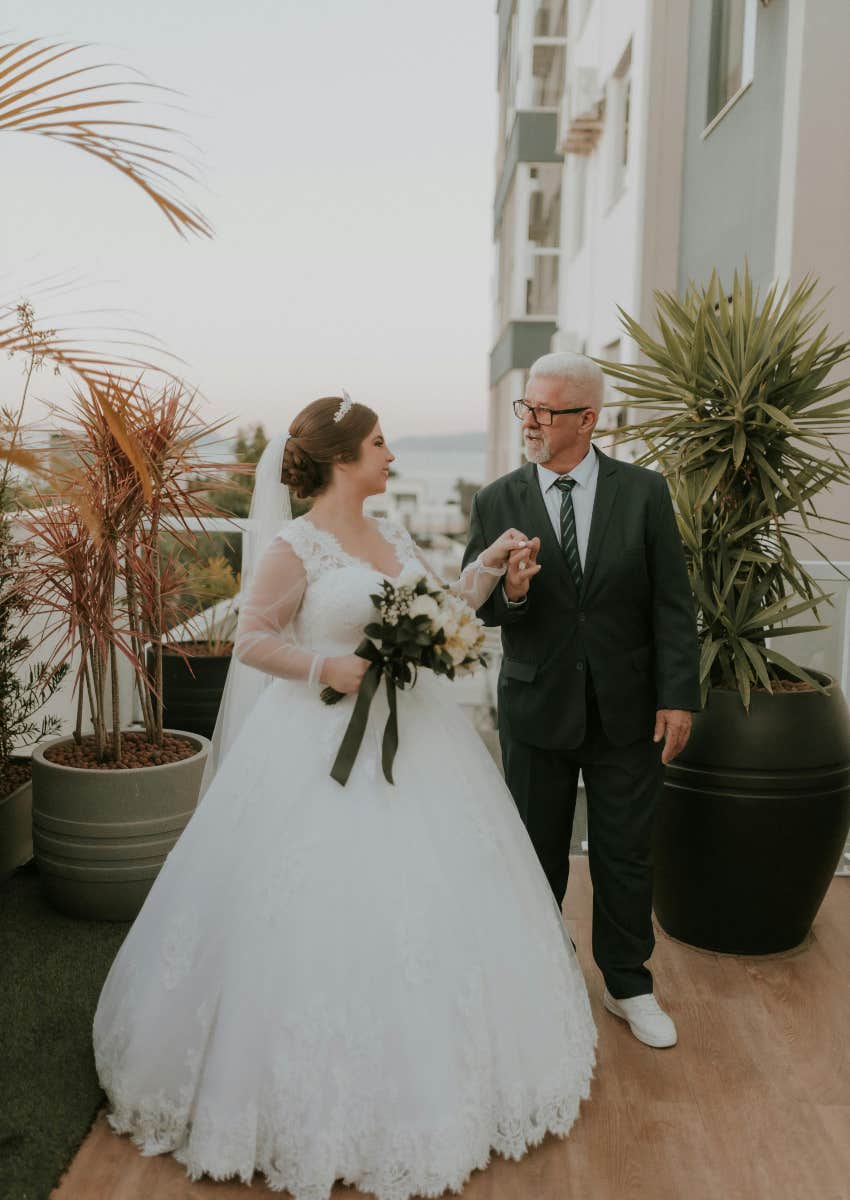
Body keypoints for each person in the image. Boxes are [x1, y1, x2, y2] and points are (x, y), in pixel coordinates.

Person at [93, 393, 597, 1200]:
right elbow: (253, 637)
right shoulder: (295, 544)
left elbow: (437, 613)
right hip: (314, 743)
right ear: (341, 457)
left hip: (416, 740)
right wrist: (324, 668)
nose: (391, 456)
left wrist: (492, 567)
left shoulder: (391, 532)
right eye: (380, 443)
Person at [464, 352, 701, 1050]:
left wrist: (678, 696)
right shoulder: (497, 499)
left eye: (545, 410)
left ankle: (628, 985)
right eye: (526, 407)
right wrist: (513, 591)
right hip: (537, 709)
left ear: (588, 418)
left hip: (630, 712)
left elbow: (672, 602)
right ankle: (545, 976)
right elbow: (480, 612)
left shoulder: (645, 493)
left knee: (625, 856)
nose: (530, 421)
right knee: (534, 852)